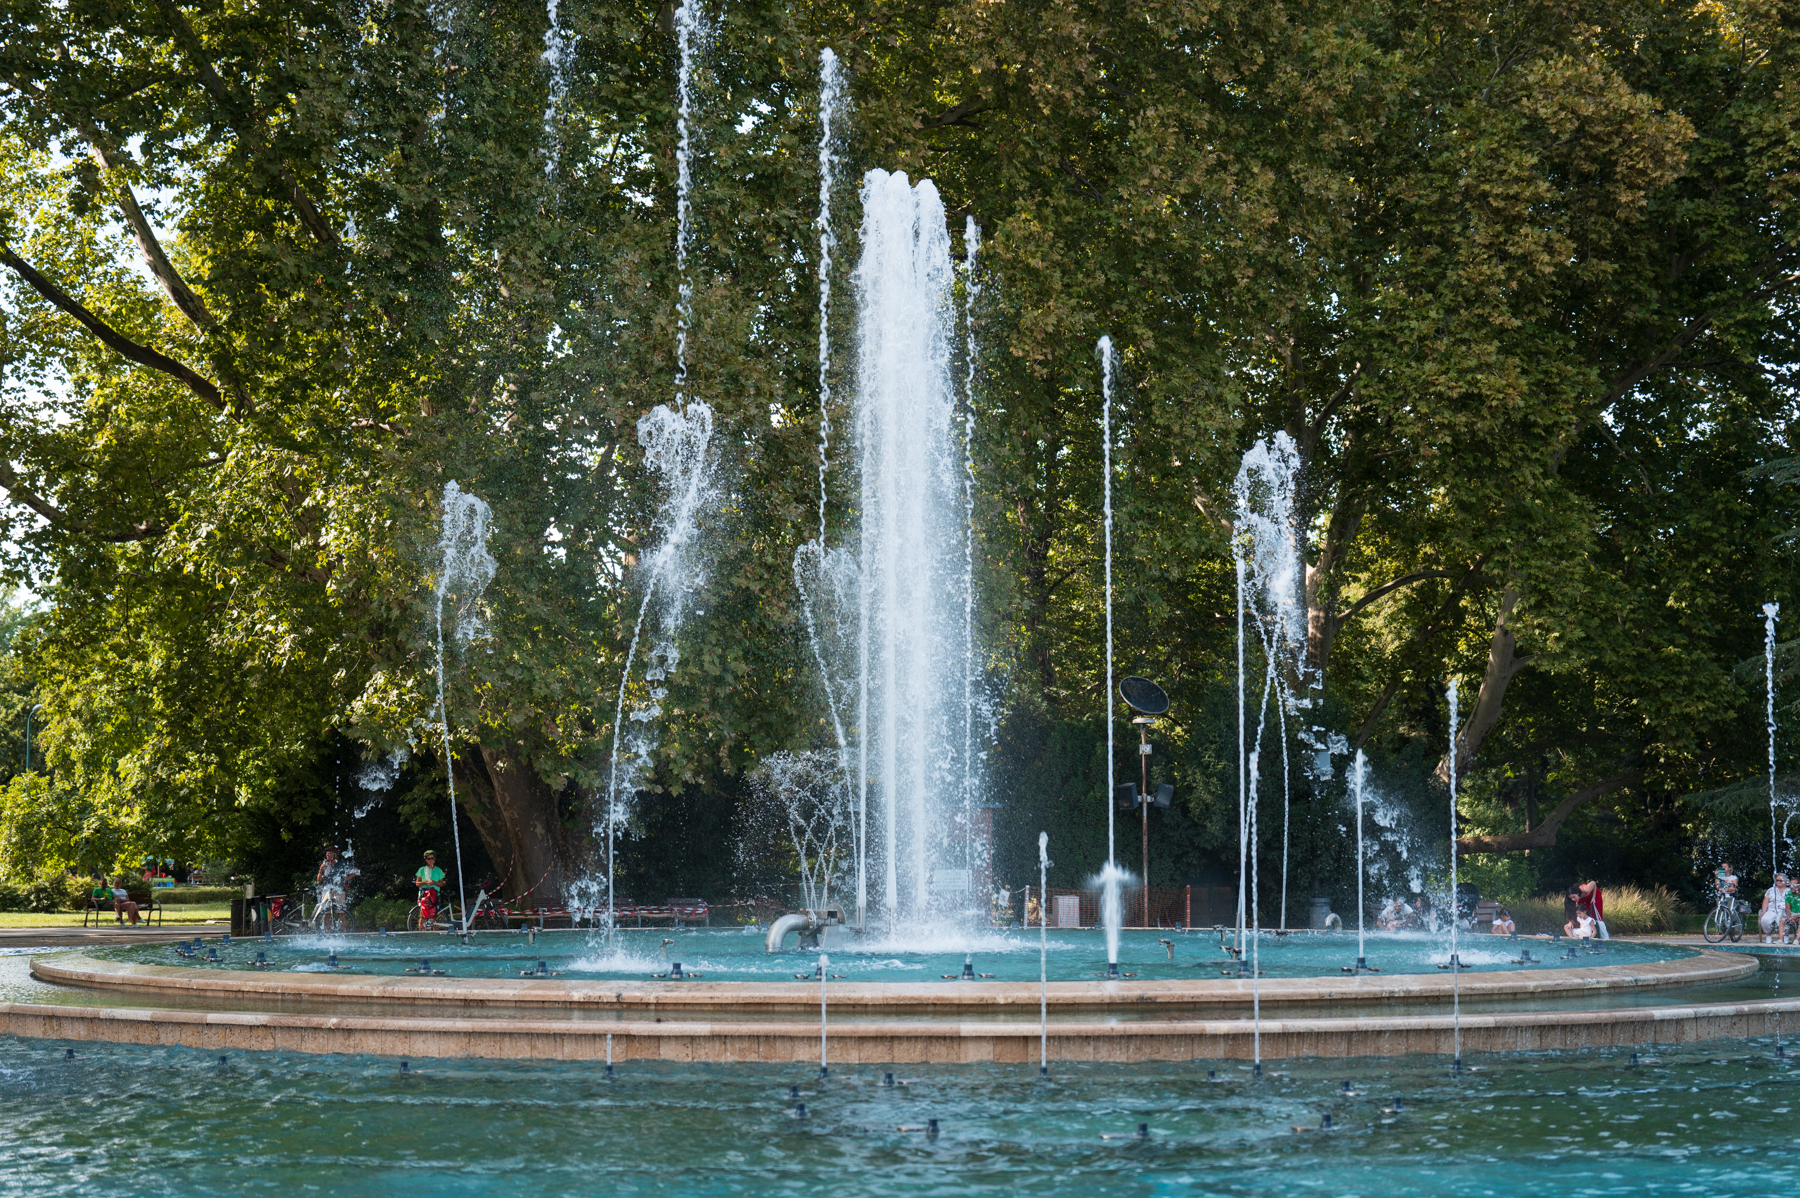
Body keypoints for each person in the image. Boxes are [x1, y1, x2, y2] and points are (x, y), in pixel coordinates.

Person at [315, 845, 359, 934]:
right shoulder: (325, 865)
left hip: (339, 890)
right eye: (327, 854)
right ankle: (325, 933)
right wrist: (320, 870)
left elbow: (356, 871)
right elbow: (319, 880)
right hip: (327, 890)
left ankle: (344, 932)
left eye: (329, 853)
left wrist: (346, 879)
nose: (327, 855)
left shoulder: (342, 864)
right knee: (326, 913)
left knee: (341, 912)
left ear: (335, 855)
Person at [415, 850, 446, 930]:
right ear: (426, 860)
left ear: (434, 859)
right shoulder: (421, 870)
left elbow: (441, 884)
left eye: (432, 858)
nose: (430, 860)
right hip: (424, 894)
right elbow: (417, 883)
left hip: (435, 894)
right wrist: (424, 882)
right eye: (428, 858)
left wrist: (434, 883)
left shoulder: (438, 870)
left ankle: (436, 934)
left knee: (435, 915)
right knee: (422, 914)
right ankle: (421, 933)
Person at [1762, 875, 1789, 943]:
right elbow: (1765, 901)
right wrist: (1763, 911)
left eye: (1780, 880)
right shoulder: (1771, 890)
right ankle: (1768, 935)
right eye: (1777, 880)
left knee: (1783, 919)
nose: (1778, 882)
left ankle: (1785, 936)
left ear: (1786, 882)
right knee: (1765, 919)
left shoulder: (1790, 891)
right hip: (1772, 910)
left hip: (1785, 910)